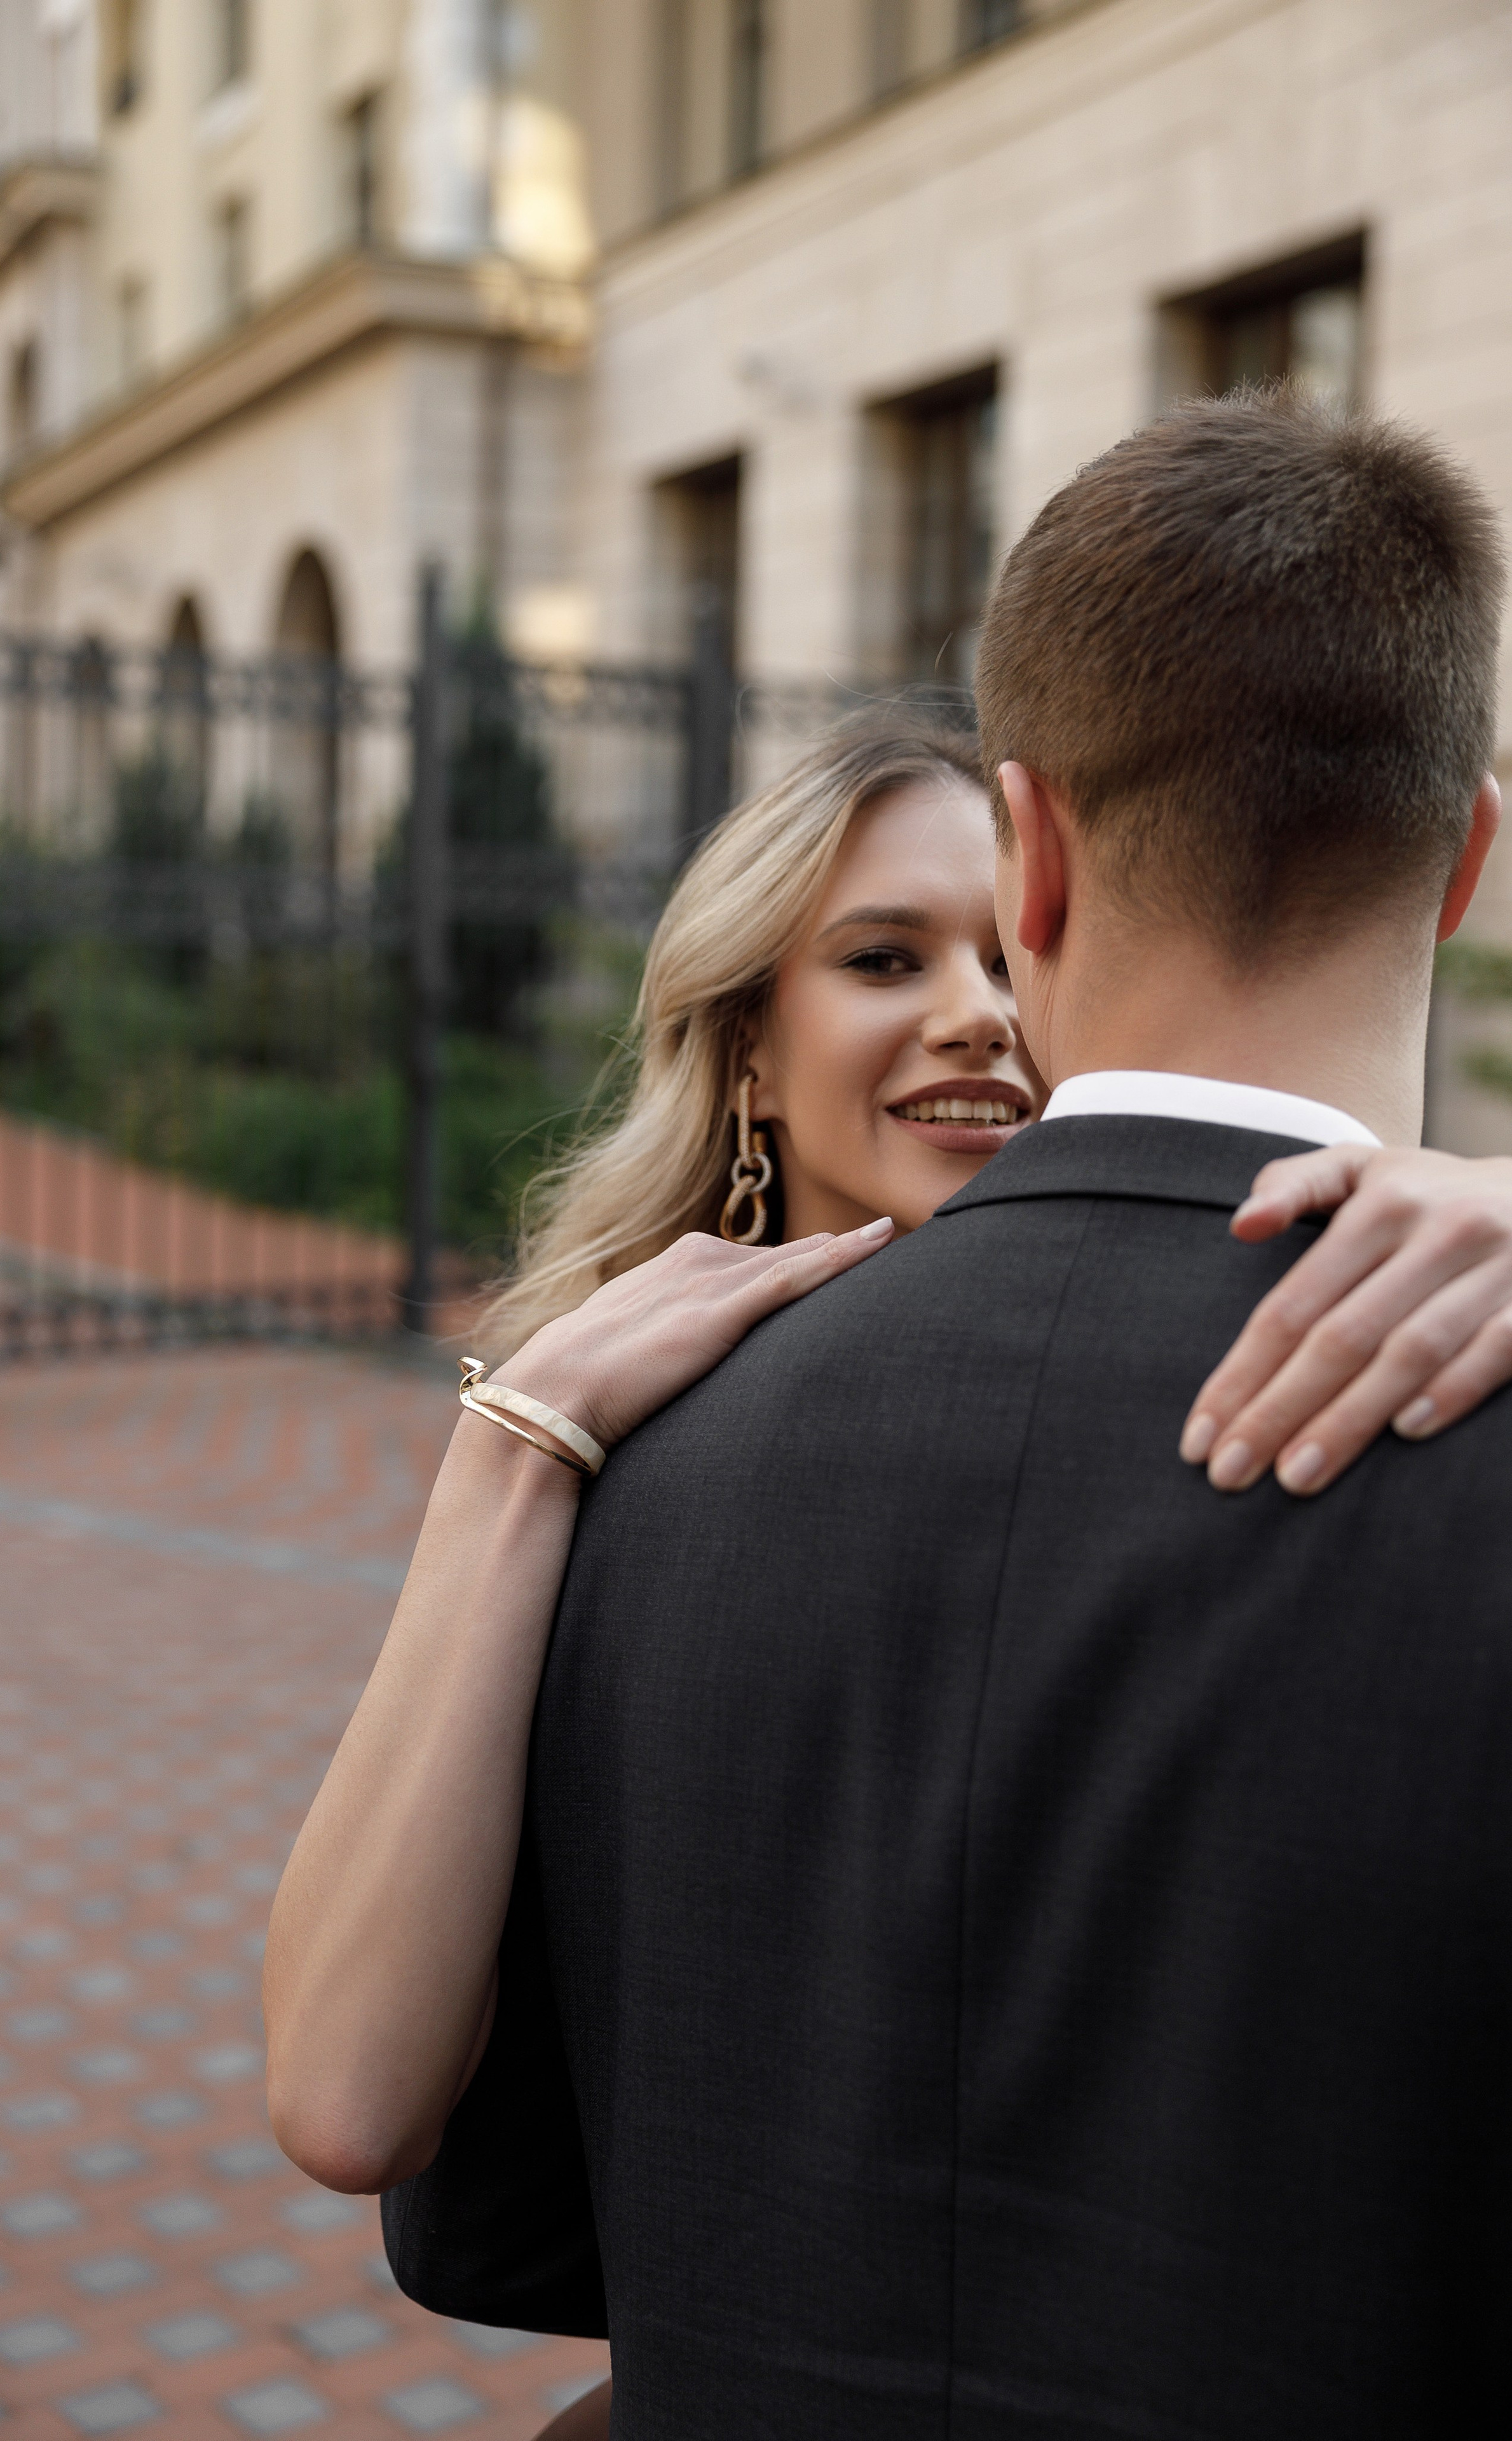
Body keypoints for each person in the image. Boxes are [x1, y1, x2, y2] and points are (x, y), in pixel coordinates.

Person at [284, 390, 1512, 2435]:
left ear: (1040, 865)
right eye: (876, 957)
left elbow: (523, 2220)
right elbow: (352, 2094)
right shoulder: (588, 1447)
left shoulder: (657, 1490)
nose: (969, 1018)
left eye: (976, 947)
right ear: (1467, 856)